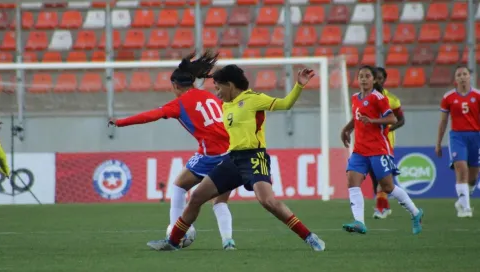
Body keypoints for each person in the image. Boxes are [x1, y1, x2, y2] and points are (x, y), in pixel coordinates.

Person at [146, 65, 326, 251]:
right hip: (233, 159)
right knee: (197, 196)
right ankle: (173, 242)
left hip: (254, 157)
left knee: (268, 202)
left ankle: (309, 237)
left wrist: (299, 86)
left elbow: (285, 104)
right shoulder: (225, 105)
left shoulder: (254, 99)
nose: (216, 92)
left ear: (230, 85)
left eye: (218, 87)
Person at [108, 51, 236, 250]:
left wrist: (121, 122)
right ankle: (228, 242)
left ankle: (174, 236)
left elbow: (151, 115)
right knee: (219, 202)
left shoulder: (179, 104)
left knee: (178, 186)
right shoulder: (210, 96)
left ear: (175, 86)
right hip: (232, 153)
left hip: (210, 155)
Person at [340, 65, 423, 235]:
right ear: (358, 80)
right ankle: (359, 222)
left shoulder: (379, 98)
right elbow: (356, 118)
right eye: (361, 76)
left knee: (387, 187)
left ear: (373, 80)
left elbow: (392, 118)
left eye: (367, 76)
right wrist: (346, 129)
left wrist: (372, 121)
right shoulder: (355, 97)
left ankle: (415, 212)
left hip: (378, 149)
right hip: (360, 150)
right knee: (352, 180)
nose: (364, 79)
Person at [436, 66, 480, 218]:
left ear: (470, 77)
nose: (462, 77)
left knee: (473, 177)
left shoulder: (477, 95)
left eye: (465, 74)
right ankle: (465, 208)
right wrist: (438, 143)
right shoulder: (448, 97)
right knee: (462, 170)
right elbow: (443, 122)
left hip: (476, 137)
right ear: (455, 79)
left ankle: (463, 199)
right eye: (459, 75)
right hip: (457, 137)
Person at [369, 67, 406, 219]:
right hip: (369, 143)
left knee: (381, 177)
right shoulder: (365, 98)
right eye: (374, 77)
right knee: (374, 179)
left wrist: (388, 129)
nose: (376, 80)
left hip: (385, 143)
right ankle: (384, 206)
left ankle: (380, 209)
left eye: (379, 78)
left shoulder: (392, 100)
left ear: (383, 80)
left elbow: (401, 120)